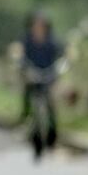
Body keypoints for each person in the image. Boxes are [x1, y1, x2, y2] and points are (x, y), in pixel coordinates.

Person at [20, 11, 64, 157]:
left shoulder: (52, 41)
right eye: (35, 25)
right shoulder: (28, 41)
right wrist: (26, 69)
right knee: (28, 96)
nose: (38, 28)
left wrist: (58, 69)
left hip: (49, 76)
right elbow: (23, 59)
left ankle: (52, 135)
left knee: (51, 104)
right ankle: (26, 118)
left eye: (41, 25)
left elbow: (60, 57)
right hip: (34, 76)